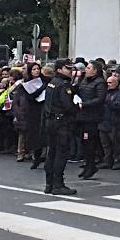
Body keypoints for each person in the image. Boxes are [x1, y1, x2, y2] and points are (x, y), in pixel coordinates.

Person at [42, 62, 80, 195]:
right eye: (67, 68)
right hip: (61, 122)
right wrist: (77, 108)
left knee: (51, 152)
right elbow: (67, 105)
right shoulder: (63, 85)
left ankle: (49, 184)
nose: (70, 71)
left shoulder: (53, 82)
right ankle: (58, 184)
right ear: (59, 69)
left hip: (50, 120)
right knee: (60, 153)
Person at [76, 59, 106, 179]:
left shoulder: (100, 83)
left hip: (92, 117)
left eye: (88, 68)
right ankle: (88, 164)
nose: (86, 70)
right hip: (82, 116)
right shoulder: (83, 80)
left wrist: (85, 104)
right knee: (84, 141)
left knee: (90, 142)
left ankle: (91, 165)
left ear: (95, 71)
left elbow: (99, 99)